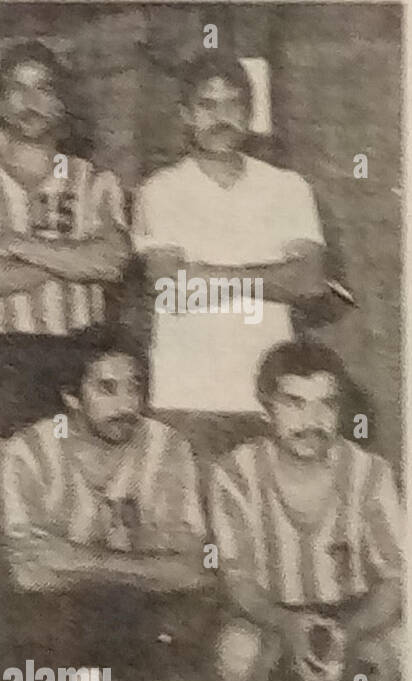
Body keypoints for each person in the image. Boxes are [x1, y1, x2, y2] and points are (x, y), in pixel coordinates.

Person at [0, 327, 209, 681]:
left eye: (135, 387)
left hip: (140, 605)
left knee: (135, 604)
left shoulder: (167, 447)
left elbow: (192, 570)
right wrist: (137, 566)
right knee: (41, 610)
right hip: (63, 604)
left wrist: (81, 559)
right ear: (71, 396)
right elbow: (27, 574)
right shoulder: (29, 450)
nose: (127, 404)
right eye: (107, 388)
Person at [211, 342, 400, 681]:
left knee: (405, 645)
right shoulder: (234, 472)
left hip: (350, 610)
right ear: (267, 408)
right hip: (271, 614)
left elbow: (396, 578)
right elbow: (237, 579)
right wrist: (289, 625)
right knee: (237, 651)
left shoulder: (370, 472)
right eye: (294, 403)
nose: (311, 421)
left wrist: (348, 632)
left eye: (325, 404)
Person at [133, 53, 327, 462]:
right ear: (186, 114)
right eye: (207, 105)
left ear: (250, 112)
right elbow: (171, 288)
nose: (221, 117)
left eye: (233, 105)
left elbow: (308, 282)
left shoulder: (287, 188)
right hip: (185, 396)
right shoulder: (160, 190)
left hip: (272, 398)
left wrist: (203, 273)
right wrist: (270, 278)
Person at [0, 40, 128, 437]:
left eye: (43, 88)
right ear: (0, 102)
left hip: (81, 354)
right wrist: (73, 260)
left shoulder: (96, 182)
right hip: (2, 359)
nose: (30, 101)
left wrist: (17, 244)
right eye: (16, 88)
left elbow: (111, 263)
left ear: (61, 102)